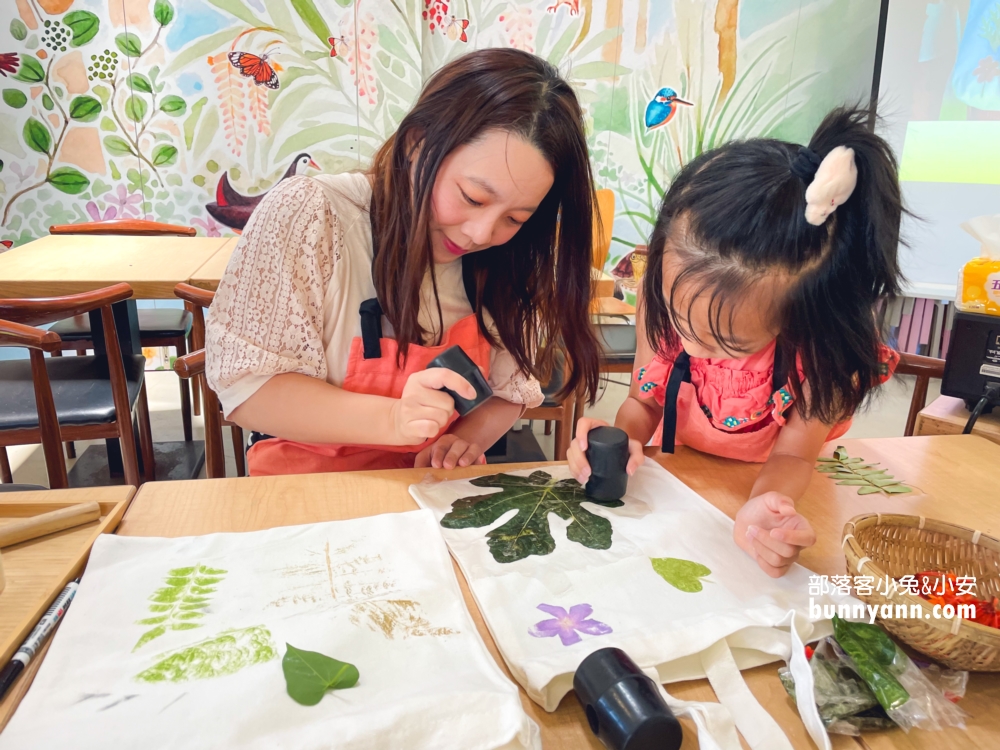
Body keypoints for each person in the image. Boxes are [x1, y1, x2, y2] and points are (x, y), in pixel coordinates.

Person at [206, 48, 600, 475]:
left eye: (514, 218)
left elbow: (508, 392)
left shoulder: (506, 255)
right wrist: (393, 420)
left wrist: (463, 441)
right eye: (471, 197)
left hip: (432, 492)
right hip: (307, 494)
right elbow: (249, 390)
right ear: (416, 143)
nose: (480, 234)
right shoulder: (314, 215)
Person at [568, 106, 902, 577]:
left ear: (799, 318)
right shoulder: (660, 296)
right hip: (675, 476)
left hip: (767, 478)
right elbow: (644, 399)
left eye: (726, 343)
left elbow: (792, 455)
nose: (690, 345)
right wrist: (618, 443)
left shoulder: (826, 355)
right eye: (677, 318)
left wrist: (768, 506)